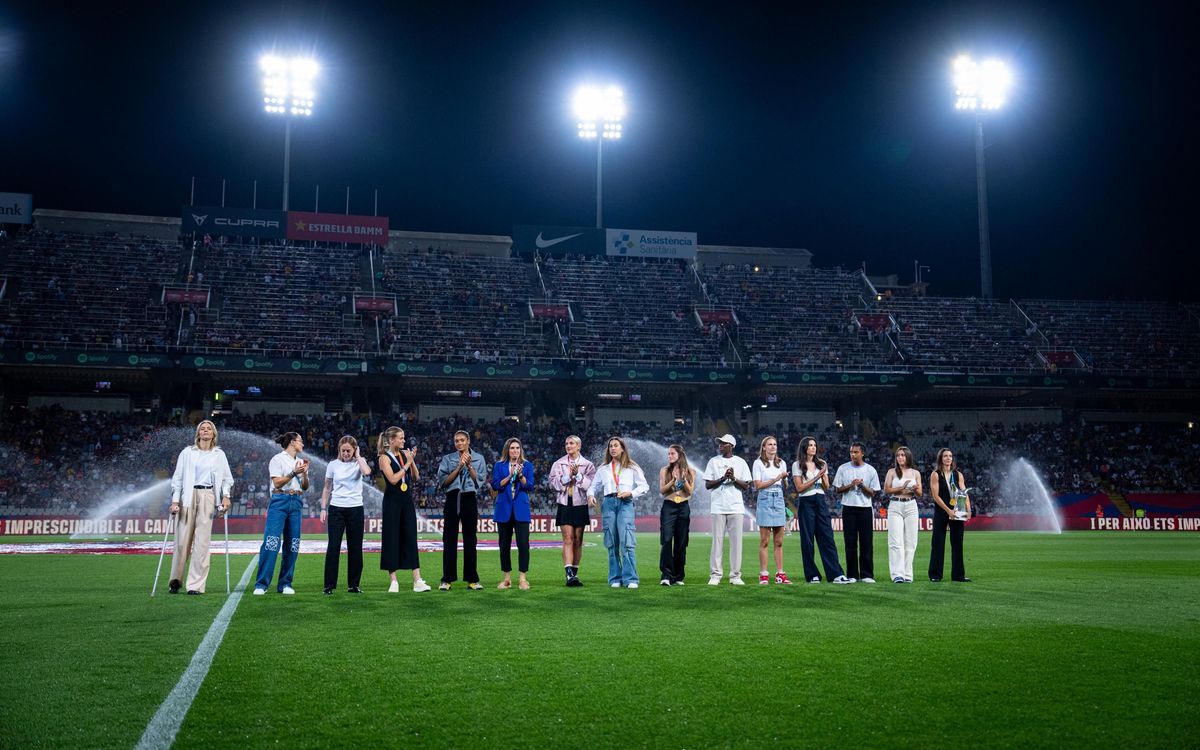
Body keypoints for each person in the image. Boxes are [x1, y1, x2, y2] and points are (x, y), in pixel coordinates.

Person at [167, 420, 234, 595]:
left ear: (213, 434)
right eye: (202, 429)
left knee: (202, 543)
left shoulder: (219, 455)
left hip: (208, 496)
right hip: (187, 496)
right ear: (198, 433)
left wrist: (226, 496)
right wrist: (175, 501)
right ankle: (176, 579)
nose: (205, 431)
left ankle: (195, 585)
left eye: (209, 428)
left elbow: (227, 478)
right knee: (182, 541)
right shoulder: (187, 452)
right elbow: (178, 479)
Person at [587, 436, 649, 589]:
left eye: (616, 445)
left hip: (626, 504)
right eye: (610, 446)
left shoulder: (632, 467)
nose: (613, 448)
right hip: (608, 503)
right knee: (611, 542)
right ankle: (615, 578)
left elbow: (644, 486)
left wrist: (631, 493)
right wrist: (590, 495)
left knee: (627, 542)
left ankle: (631, 579)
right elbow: (593, 486)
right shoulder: (603, 468)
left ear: (622, 448)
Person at [253, 432, 309, 595]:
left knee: (293, 544)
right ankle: (261, 584)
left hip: (296, 501)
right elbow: (276, 482)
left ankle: (285, 584)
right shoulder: (277, 459)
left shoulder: (300, 462)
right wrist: (293, 472)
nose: (303, 445)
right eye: (301, 441)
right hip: (280, 499)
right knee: (271, 542)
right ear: (292, 442)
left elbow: (305, 487)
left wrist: (304, 473)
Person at [791, 436, 853, 584]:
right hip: (806, 501)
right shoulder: (797, 465)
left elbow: (827, 486)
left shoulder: (822, 463)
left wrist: (824, 475)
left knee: (827, 538)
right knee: (807, 540)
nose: (813, 447)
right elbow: (799, 488)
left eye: (815, 445)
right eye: (810, 445)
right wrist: (816, 477)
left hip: (820, 500)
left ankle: (836, 574)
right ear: (804, 447)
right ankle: (812, 575)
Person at [379, 426, 431, 593]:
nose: (403, 441)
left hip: (407, 502)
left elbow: (416, 477)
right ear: (391, 440)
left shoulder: (404, 455)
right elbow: (393, 480)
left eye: (403, 438)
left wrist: (412, 460)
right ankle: (393, 581)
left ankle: (417, 580)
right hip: (392, 502)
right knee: (391, 538)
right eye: (400, 438)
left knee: (410, 538)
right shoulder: (383, 458)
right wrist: (407, 463)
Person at [434, 431, 487, 591]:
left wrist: (469, 465)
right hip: (452, 498)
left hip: (469, 498)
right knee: (449, 539)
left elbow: (479, 481)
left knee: (470, 539)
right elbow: (444, 482)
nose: (459, 443)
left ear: (468, 441)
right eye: (456, 441)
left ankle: (472, 579)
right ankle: (447, 579)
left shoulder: (479, 458)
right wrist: (459, 466)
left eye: (462, 440)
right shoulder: (447, 459)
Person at [320, 436, 372, 595]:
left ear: (354, 449)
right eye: (343, 451)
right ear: (339, 450)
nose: (345, 453)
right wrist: (323, 508)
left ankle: (354, 585)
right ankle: (329, 585)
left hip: (356, 509)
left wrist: (358, 456)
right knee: (333, 547)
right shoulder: (333, 465)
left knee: (355, 548)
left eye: (349, 450)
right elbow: (327, 488)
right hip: (336, 509)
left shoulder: (359, 462)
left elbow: (368, 472)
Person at [703, 434, 752, 586]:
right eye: (720, 443)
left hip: (736, 507)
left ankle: (735, 576)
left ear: (731, 445)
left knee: (736, 543)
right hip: (718, 506)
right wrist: (723, 478)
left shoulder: (741, 462)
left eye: (724, 443)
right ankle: (715, 575)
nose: (720, 445)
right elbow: (708, 485)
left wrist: (734, 478)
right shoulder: (713, 461)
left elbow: (746, 486)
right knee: (717, 542)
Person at [549, 435, 596, 587]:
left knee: (578, 540)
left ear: (579, 446)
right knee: (568, 538)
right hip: (565, 503)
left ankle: (574, 574)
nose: (568, 446)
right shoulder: (558, 463)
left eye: (571, 443)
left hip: (581, 504)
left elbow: (591, 485)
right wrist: (569, 476)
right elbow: (553, 484)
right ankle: (569, 574)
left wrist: (579, 475)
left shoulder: (588, 465)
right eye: (566, 443)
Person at [832, 443, 880, 583]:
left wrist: (862, 485)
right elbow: (838, 490)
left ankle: (867, 575)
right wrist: (851, 485)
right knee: (850, 543)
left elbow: (873, 493)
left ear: (862, 453)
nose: (853, 455)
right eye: (851, 452)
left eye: (856, 452)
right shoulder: (843, 468)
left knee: (866, 542)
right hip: (848, 508)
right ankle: (852, 574)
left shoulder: (870, 470)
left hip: (865, 508)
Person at [491, 438, 534, 590]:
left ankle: (523, 578)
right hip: (504, 509)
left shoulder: (527, 465)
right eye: (512, 448)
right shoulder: (499, 465)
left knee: (523, 544)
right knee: (504, 546)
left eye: (517, 448)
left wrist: (521, 476)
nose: (515, 450)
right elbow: (495, 485)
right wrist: (509, 476)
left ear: (520, 450)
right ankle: (507, 579)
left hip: (521, 510)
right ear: (507, 450)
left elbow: (530, 486)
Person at [752, 436, 792, 585]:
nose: (773, 447)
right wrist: (777, 478)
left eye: (775, 444)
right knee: (764, 541)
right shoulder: (758, 463)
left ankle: (780, 574)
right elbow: (758, 485)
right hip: (765, 499)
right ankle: (763, 574)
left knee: (779, 541)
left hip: (779, 498)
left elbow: (785, 485)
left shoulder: (782, 463)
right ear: (764, 447)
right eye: (769, 444)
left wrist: (785, 479)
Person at [928, 447, 971, 582]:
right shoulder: (935, 474)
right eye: (945, 456)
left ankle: (958, 575)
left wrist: (968, 510)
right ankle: (935, 575)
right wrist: (948, 511)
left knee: (958, 543)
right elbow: (935, 496)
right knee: (938, 543)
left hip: (957, 511)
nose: (948, 458)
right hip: (942, 511)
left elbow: (964, 493)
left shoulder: (958, 474)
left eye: (950, 456)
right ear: (941, 458)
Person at [884, 446, 923, 584]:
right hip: (895, 505)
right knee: (895, 541)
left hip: (911, 505)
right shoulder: (891, 472)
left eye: (902, 455)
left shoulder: (915, 473)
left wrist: (915, 488)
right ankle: (897, 575)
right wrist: (901, 487)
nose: (900, 457)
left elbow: (920, 494)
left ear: (908, 457)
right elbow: (886, 489)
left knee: (911, 542)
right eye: (898, 455)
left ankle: (908, 574)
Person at [657, 444, 695, 586]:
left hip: (683, 507)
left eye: (672, 453)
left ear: (679, 454)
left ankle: (678, 576)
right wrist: (673, 481)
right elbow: (662, 490)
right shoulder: (665, 470)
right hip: (669, 506)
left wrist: (683, 480)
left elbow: (690, 491)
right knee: (666, 540)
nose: (669, 456)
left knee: (681, 542)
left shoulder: (690, 471)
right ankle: (666, 575)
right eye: (668, 454)